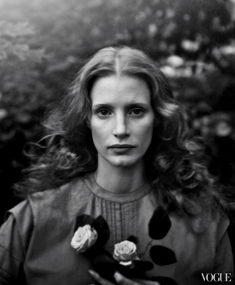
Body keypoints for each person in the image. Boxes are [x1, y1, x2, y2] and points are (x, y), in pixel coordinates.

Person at [0, 46, 234, 285]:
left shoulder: (204, 223)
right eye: (104, 112)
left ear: (158, 117)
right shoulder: (31, 221)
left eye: (136, 111)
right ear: (86, 119)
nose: (120, 130)